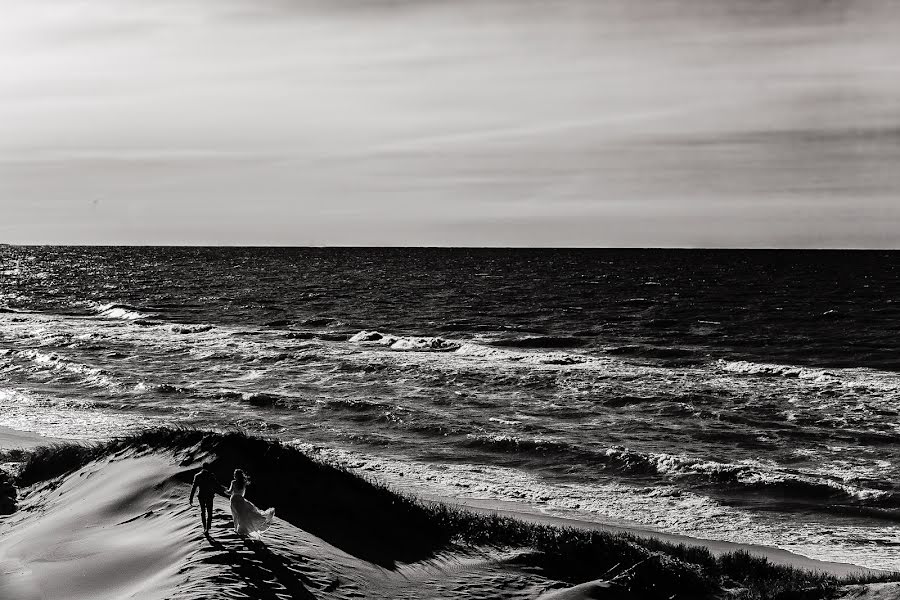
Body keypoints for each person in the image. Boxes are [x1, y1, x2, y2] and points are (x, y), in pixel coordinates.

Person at [225, 469, 275, 538]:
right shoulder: (243, 483)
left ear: (236, 475)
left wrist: (224, 490)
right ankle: (241, 529)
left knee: (235, 515)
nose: (234, 475)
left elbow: (229, 492)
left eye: (234, 474)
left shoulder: (233, 482)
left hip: (234, 500)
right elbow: (243, 493)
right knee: (243, 515)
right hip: (241, 500)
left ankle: (236, 529)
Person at [189, 462, 226, 533]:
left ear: (202, 467)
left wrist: (191, 498)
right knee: (209, 512)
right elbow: (216, 485)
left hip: (201, 496)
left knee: (203, 512)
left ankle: (204, 528)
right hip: (209, 495)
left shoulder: (197, 476)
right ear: (208, 467)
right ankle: (208, 528)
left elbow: (194, 488)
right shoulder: (211, 475)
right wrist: (223, 489)